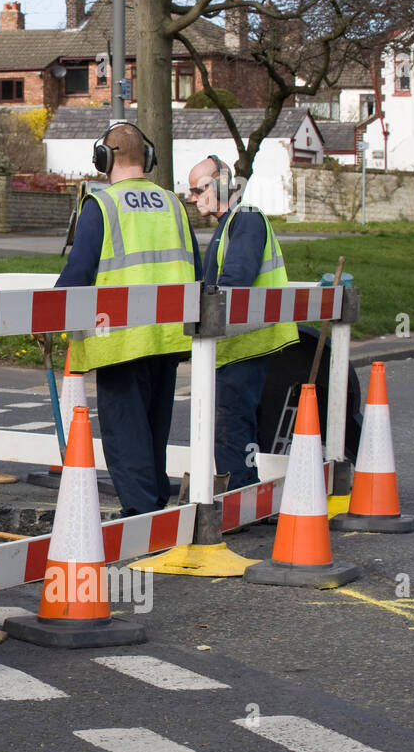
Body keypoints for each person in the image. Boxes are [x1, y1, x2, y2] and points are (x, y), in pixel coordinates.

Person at [56, 121, 202, 516]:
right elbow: (198, 273)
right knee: (154, 432)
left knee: (125, 435)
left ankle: (142, 519)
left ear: (104, 159)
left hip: (119, 340)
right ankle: (155, 506)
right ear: (148, 157)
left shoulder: (101, 205)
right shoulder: (173, 204)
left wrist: (45, 317)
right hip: (169, 337)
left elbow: (77, 274)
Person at [188, 155, 299, 488]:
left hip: (246, 344)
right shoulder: (232, 223)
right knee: (232, 424)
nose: (194, 198)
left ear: (223, 182)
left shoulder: (246, 219)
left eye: (199, 189)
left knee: (232, 425)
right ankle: (242, 494)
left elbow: (235, 281)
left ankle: (239, 496)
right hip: (236, 344)